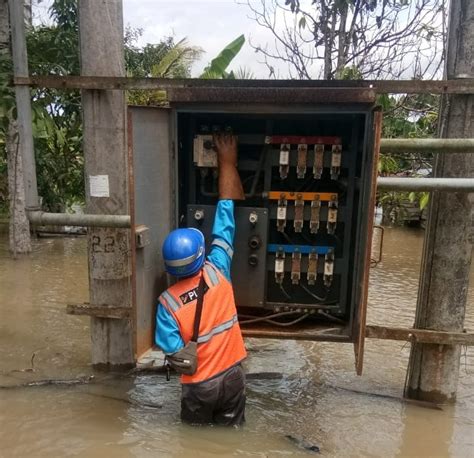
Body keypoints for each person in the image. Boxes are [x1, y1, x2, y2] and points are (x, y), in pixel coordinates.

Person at [155, 133, 247, 426]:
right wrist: (227, 163)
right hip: (233, 376)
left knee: (194, 439)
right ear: (200, 254)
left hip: (199, 385)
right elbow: (225, 222)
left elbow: (171, 350)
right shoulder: (218, 270)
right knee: (229, 438)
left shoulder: (167, 304)